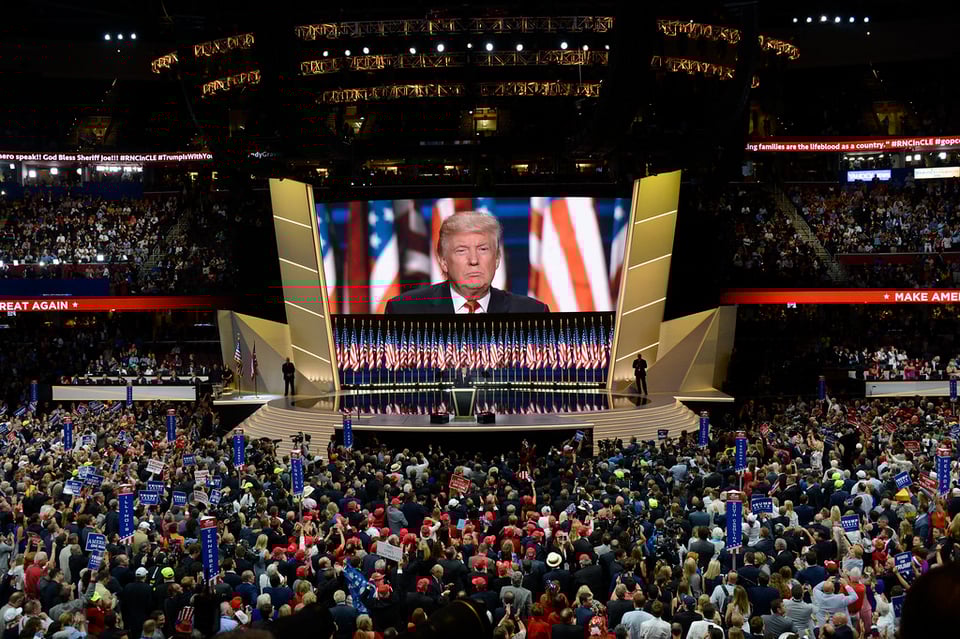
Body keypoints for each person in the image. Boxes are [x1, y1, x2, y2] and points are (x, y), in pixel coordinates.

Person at [385, 211, 549, 314]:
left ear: (497, 258)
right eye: (461, 250)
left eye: (483, 249)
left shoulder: (532, 312)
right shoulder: (404, 310)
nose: (473, 260)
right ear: (443, 261)